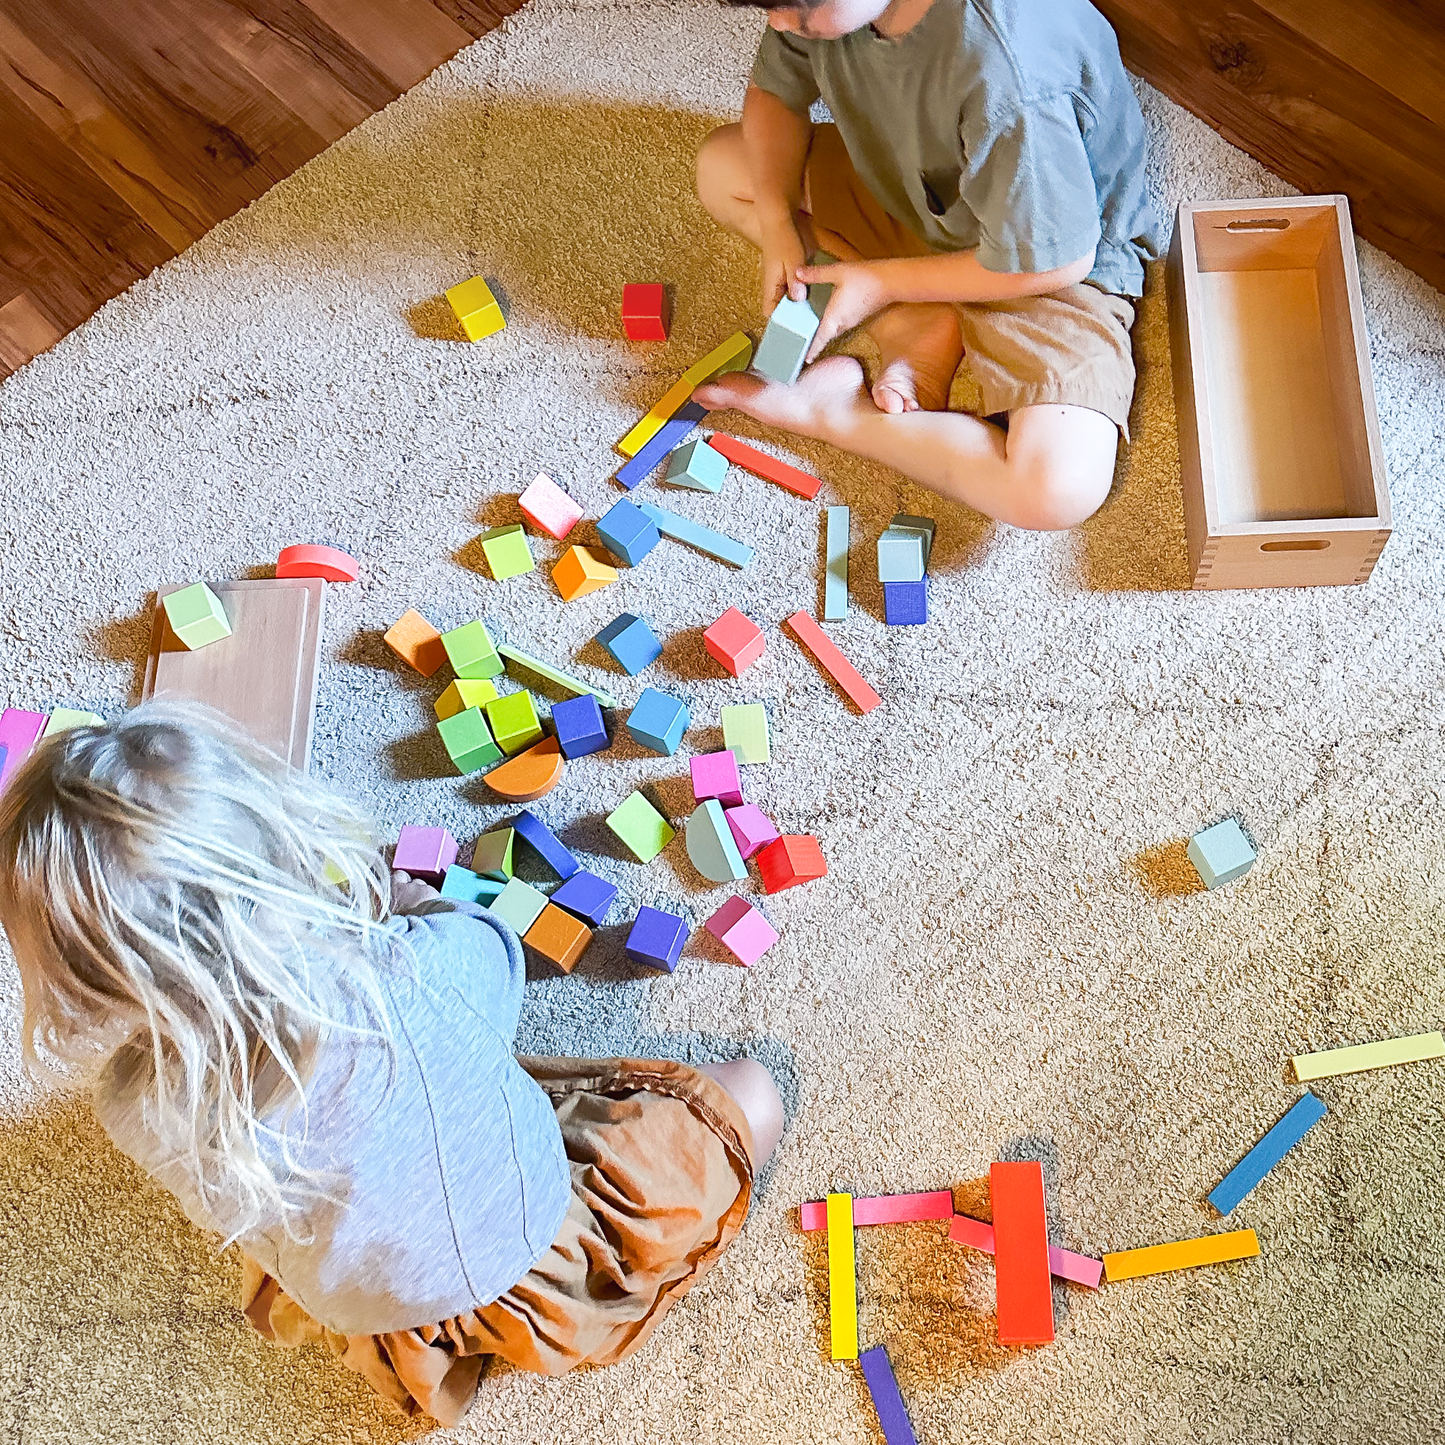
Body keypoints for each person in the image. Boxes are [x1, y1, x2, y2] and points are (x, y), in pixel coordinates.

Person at [0, 705, 782, 1426]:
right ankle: (540, 1313)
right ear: (282, 851)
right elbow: (500, 958)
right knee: (751, 1092)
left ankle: (442, 1358)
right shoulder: (414, 972)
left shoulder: (133, 1104)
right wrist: (414, 908)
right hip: (544, 1252)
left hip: (381, 1308)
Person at [694, 0, 1160, 530]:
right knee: (721, 167)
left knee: (1055, 491)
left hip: (1041, 261)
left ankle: (834, 411)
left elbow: (1060, 261)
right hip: (917, 195)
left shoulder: (1012, 75)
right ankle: (917, 319)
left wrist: (880, 280)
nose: (778, 23)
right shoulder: (832, 10)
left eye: (797, 8)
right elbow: (776, 93)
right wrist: (779, 217)